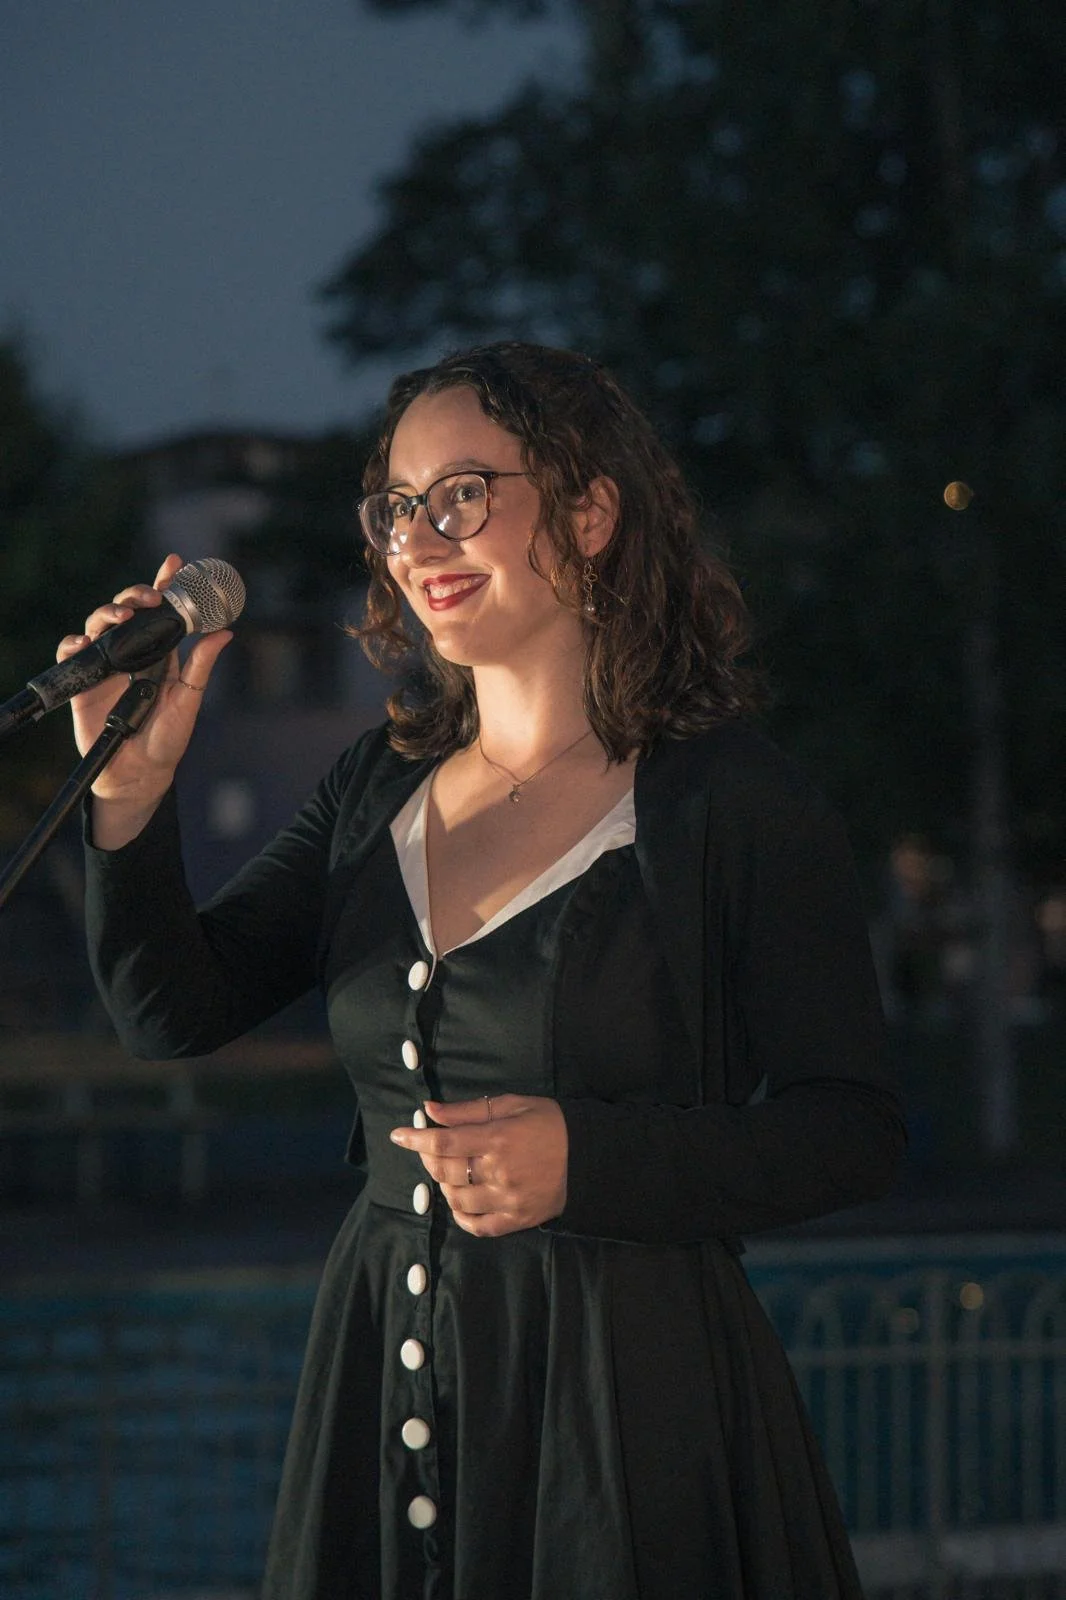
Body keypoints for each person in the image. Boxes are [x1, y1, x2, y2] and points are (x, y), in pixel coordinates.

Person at [67, 342, 906, 1600]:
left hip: (623, 1418)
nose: (420, 535)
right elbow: (167, 1011)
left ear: (589, 510)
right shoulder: (372, 790)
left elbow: (853, 1130)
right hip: (382, 1372)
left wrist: (592, 1157)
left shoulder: (730, 802)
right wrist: (129, 793)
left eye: (464, 490)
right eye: (398, 506)